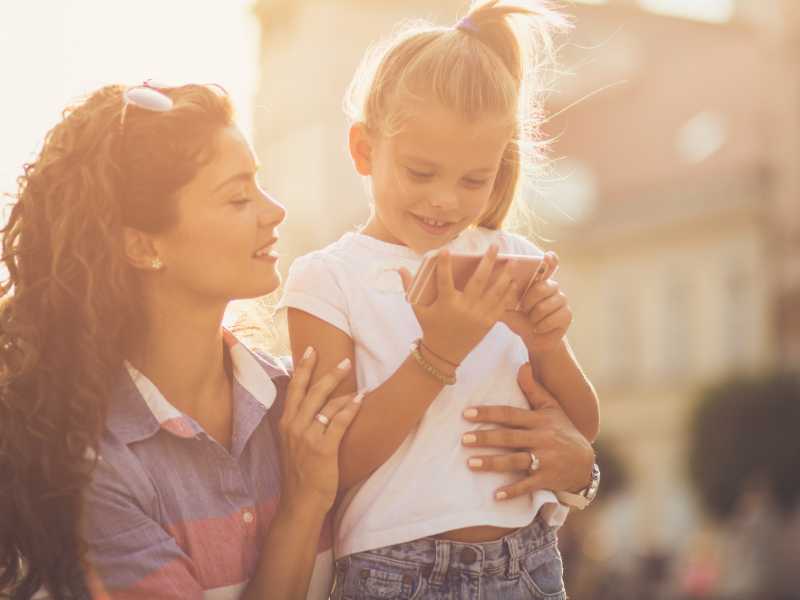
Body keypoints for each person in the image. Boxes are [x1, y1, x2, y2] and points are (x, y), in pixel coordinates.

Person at [0, 79, 594, 600]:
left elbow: (442, 475)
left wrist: (579, 471)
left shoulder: (297, 401)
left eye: (259, 185)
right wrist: (304, 505)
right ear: (142, 246)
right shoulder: (95, 469)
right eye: (238, 197)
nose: (275, 211)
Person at [280, 0, 600, 598]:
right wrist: (437, 355)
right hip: (395, 573)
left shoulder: (510, 256)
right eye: (420, 172)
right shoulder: (325, 280)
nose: (446, 201)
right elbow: (333, 466)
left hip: (525, 562)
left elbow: (580, 433)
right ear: (363, 150)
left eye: (472, 180)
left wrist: (547, 344)